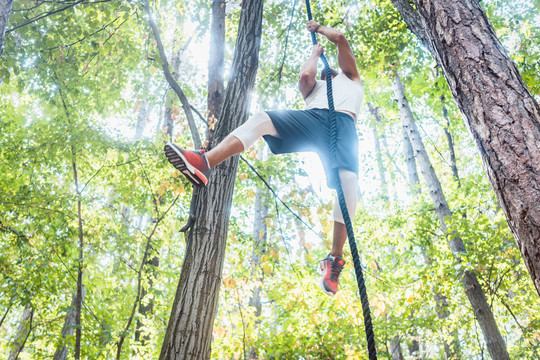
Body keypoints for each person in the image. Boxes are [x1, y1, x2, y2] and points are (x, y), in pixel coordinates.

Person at [164, 20, 363, 296]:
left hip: (343, 125)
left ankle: (334, 258)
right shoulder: (315, 88)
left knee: (348, 183)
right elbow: (305, 78)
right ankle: (205, 162)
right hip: (313, 120)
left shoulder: (351, 78)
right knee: (262, 119)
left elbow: (340, 37)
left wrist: (318, 30)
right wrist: (315, 54)